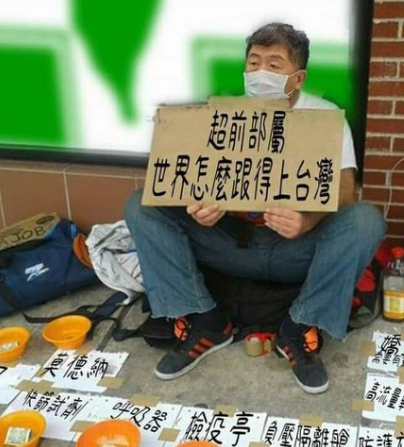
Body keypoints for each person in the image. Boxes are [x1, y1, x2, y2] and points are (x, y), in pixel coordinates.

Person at [125, 22, 386, 394]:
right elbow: (182, 180)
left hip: (295, 248)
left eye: (274, 64)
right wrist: (197, 206)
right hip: (230, 244)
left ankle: (298, 327)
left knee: (366, 220)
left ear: (298, 77)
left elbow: (346, 191)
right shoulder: (220, 117)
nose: (260, 71)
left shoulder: (326, 118)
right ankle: (205, 319)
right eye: (254, 62)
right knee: (141, 205)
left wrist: (307, 221)